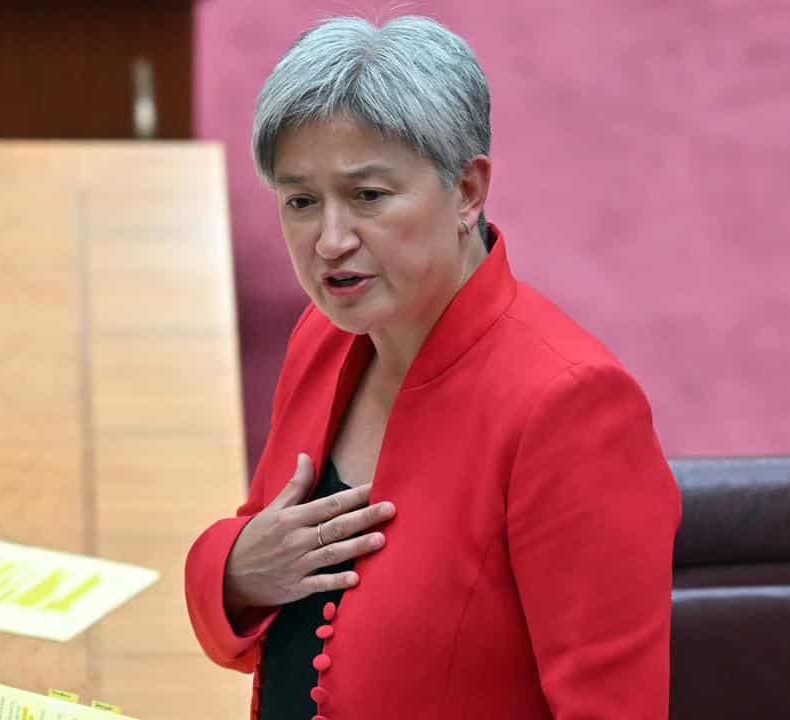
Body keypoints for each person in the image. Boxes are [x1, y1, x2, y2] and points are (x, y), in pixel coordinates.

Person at [185, 15, 681, 720]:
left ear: (467, 192)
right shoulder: (324, 338)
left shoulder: (569, 408)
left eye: (368, 196)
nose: (329, 241)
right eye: (301, 202)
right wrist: (235, 570)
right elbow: (261, 578)